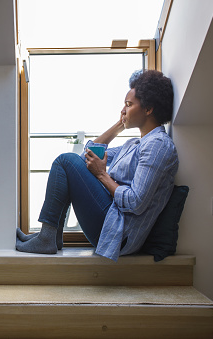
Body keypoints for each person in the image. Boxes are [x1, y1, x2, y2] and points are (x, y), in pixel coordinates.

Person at [16, 69, 178, 262]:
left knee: (65, 161)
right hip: (112, 219)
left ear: (148, 109)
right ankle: (51, 236)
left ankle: (47, 237)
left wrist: (102, 175)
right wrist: (120, 124)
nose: (124, 109)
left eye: (129, 104)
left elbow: (136, 203)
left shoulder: (158, 145)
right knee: (69, 162)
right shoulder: (136, 144)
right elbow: (90, 152)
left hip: (119, 234)